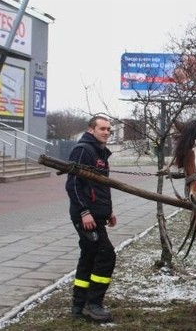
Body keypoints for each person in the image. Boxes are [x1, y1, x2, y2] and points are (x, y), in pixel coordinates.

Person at [65, 115, 117, 321]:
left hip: (98, 215)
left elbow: (100, 186)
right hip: (86, 217)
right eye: (102, 129)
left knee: (89, 257)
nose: (106, 132)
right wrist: (84, 212)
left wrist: (109, 211)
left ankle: (78, 307)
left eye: (109, 130)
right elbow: (73, 184)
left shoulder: (100, 152)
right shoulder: (83, 150)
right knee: (106, 256)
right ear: (91, 130)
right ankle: (93, 304)